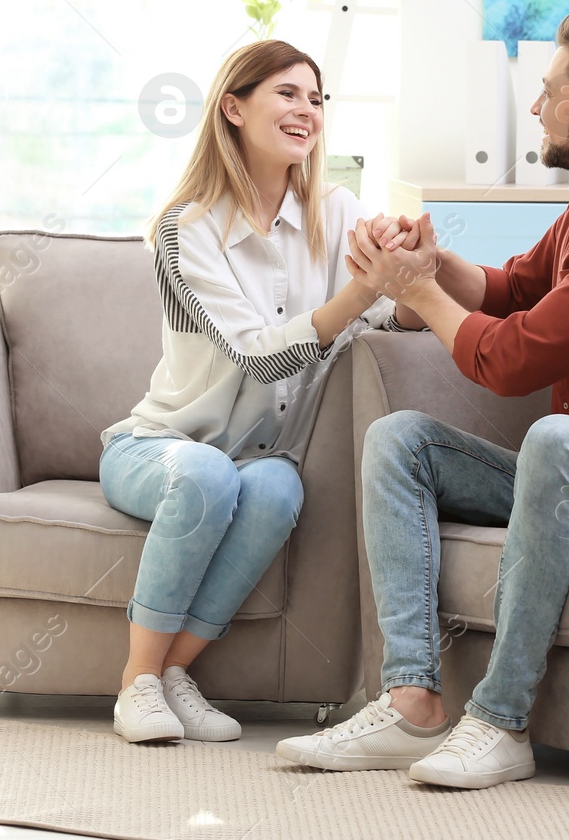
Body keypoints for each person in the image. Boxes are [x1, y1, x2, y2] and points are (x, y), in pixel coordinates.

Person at [276, 10, 569, 789]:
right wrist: (432, 261)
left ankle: (500, 720)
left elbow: (511, 359)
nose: (535, 107)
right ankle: (414, 701)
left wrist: (415, 289)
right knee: (401, 440)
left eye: (550, 90)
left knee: (557, 438)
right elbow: (514, 289)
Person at [101, 39, 405, 743]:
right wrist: (364, 284)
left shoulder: (336, 210)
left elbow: (391, 316)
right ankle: (136, 683)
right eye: (288, 93)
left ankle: (176, 673)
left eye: (317, 98)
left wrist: (410, 270)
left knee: (277, 488)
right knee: (209, 472)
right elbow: (259, 356)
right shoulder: (189, 227)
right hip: (160, 448)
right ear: (233, 108)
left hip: (260, 460)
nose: (307, 110)